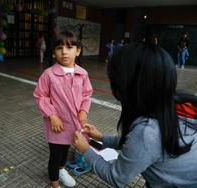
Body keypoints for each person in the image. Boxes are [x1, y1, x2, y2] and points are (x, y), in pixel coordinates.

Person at [73, 43, 197, 187]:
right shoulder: (178, 105)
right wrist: (102, 138)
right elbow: (142, 146)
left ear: (129, 87)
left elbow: (116, 177)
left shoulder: (147, 130)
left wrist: (86, 150)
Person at [33, 30, 93, 188]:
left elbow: (87, 95)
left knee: (65, 151)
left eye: (69, 47)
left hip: (73, 125)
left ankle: (61, 170)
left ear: (77, 51)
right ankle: (54, 183)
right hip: (56, 126)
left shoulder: (82, 74)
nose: (64, 52)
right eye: (59, 48)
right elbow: (41, 96)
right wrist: (52, 115)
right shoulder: (49, 74)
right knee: (55, 155)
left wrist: (84, 111)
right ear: (54, 52)